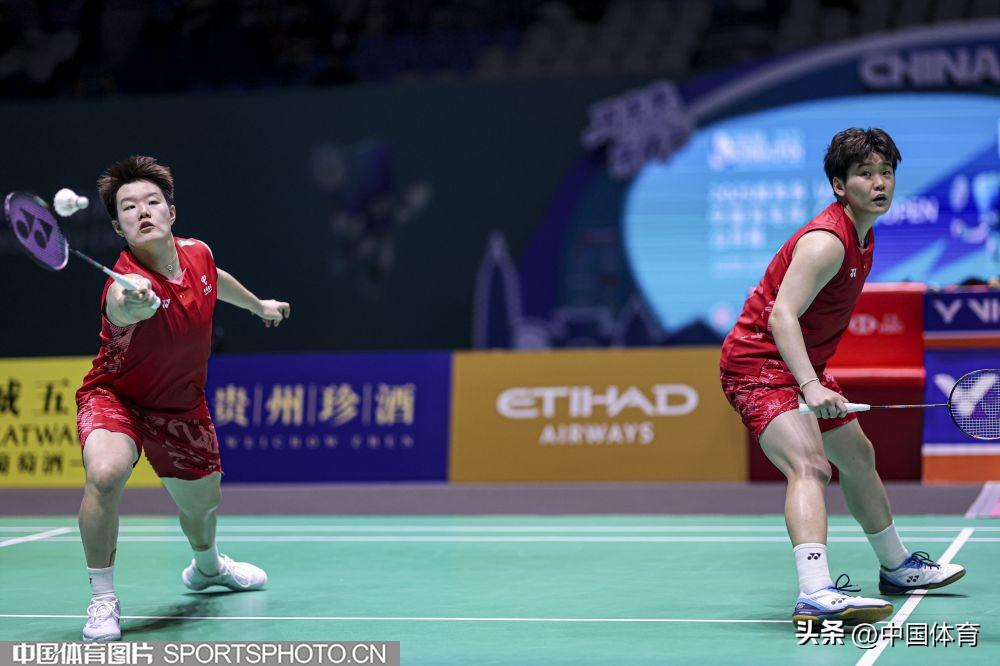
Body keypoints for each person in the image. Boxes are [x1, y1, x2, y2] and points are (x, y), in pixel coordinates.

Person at [719, 128, 965, 624]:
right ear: (839, 185)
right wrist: (810, 386)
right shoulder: (826, 243)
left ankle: (897, 566)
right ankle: (814, 591)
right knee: (810, 466)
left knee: (858, 456)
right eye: (865, 174)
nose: (880, 183)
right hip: (758, 366)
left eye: (886, 172)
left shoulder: (864, 235)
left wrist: (812, 378)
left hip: (799, 366)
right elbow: (781, 316)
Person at [75, 156, 291, 641]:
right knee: (105, 474)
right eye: (129, 207)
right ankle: (103, 599)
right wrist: (135, 304)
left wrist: (258, 305)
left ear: (171, 212)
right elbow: (120, 308)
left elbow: (215, 277)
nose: (142, 211)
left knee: (202, 506)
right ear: (118, 227)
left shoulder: (198, 253)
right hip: (116, 397)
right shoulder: (123, 285)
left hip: (181, 406)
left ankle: (208, 567)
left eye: (152, 201)